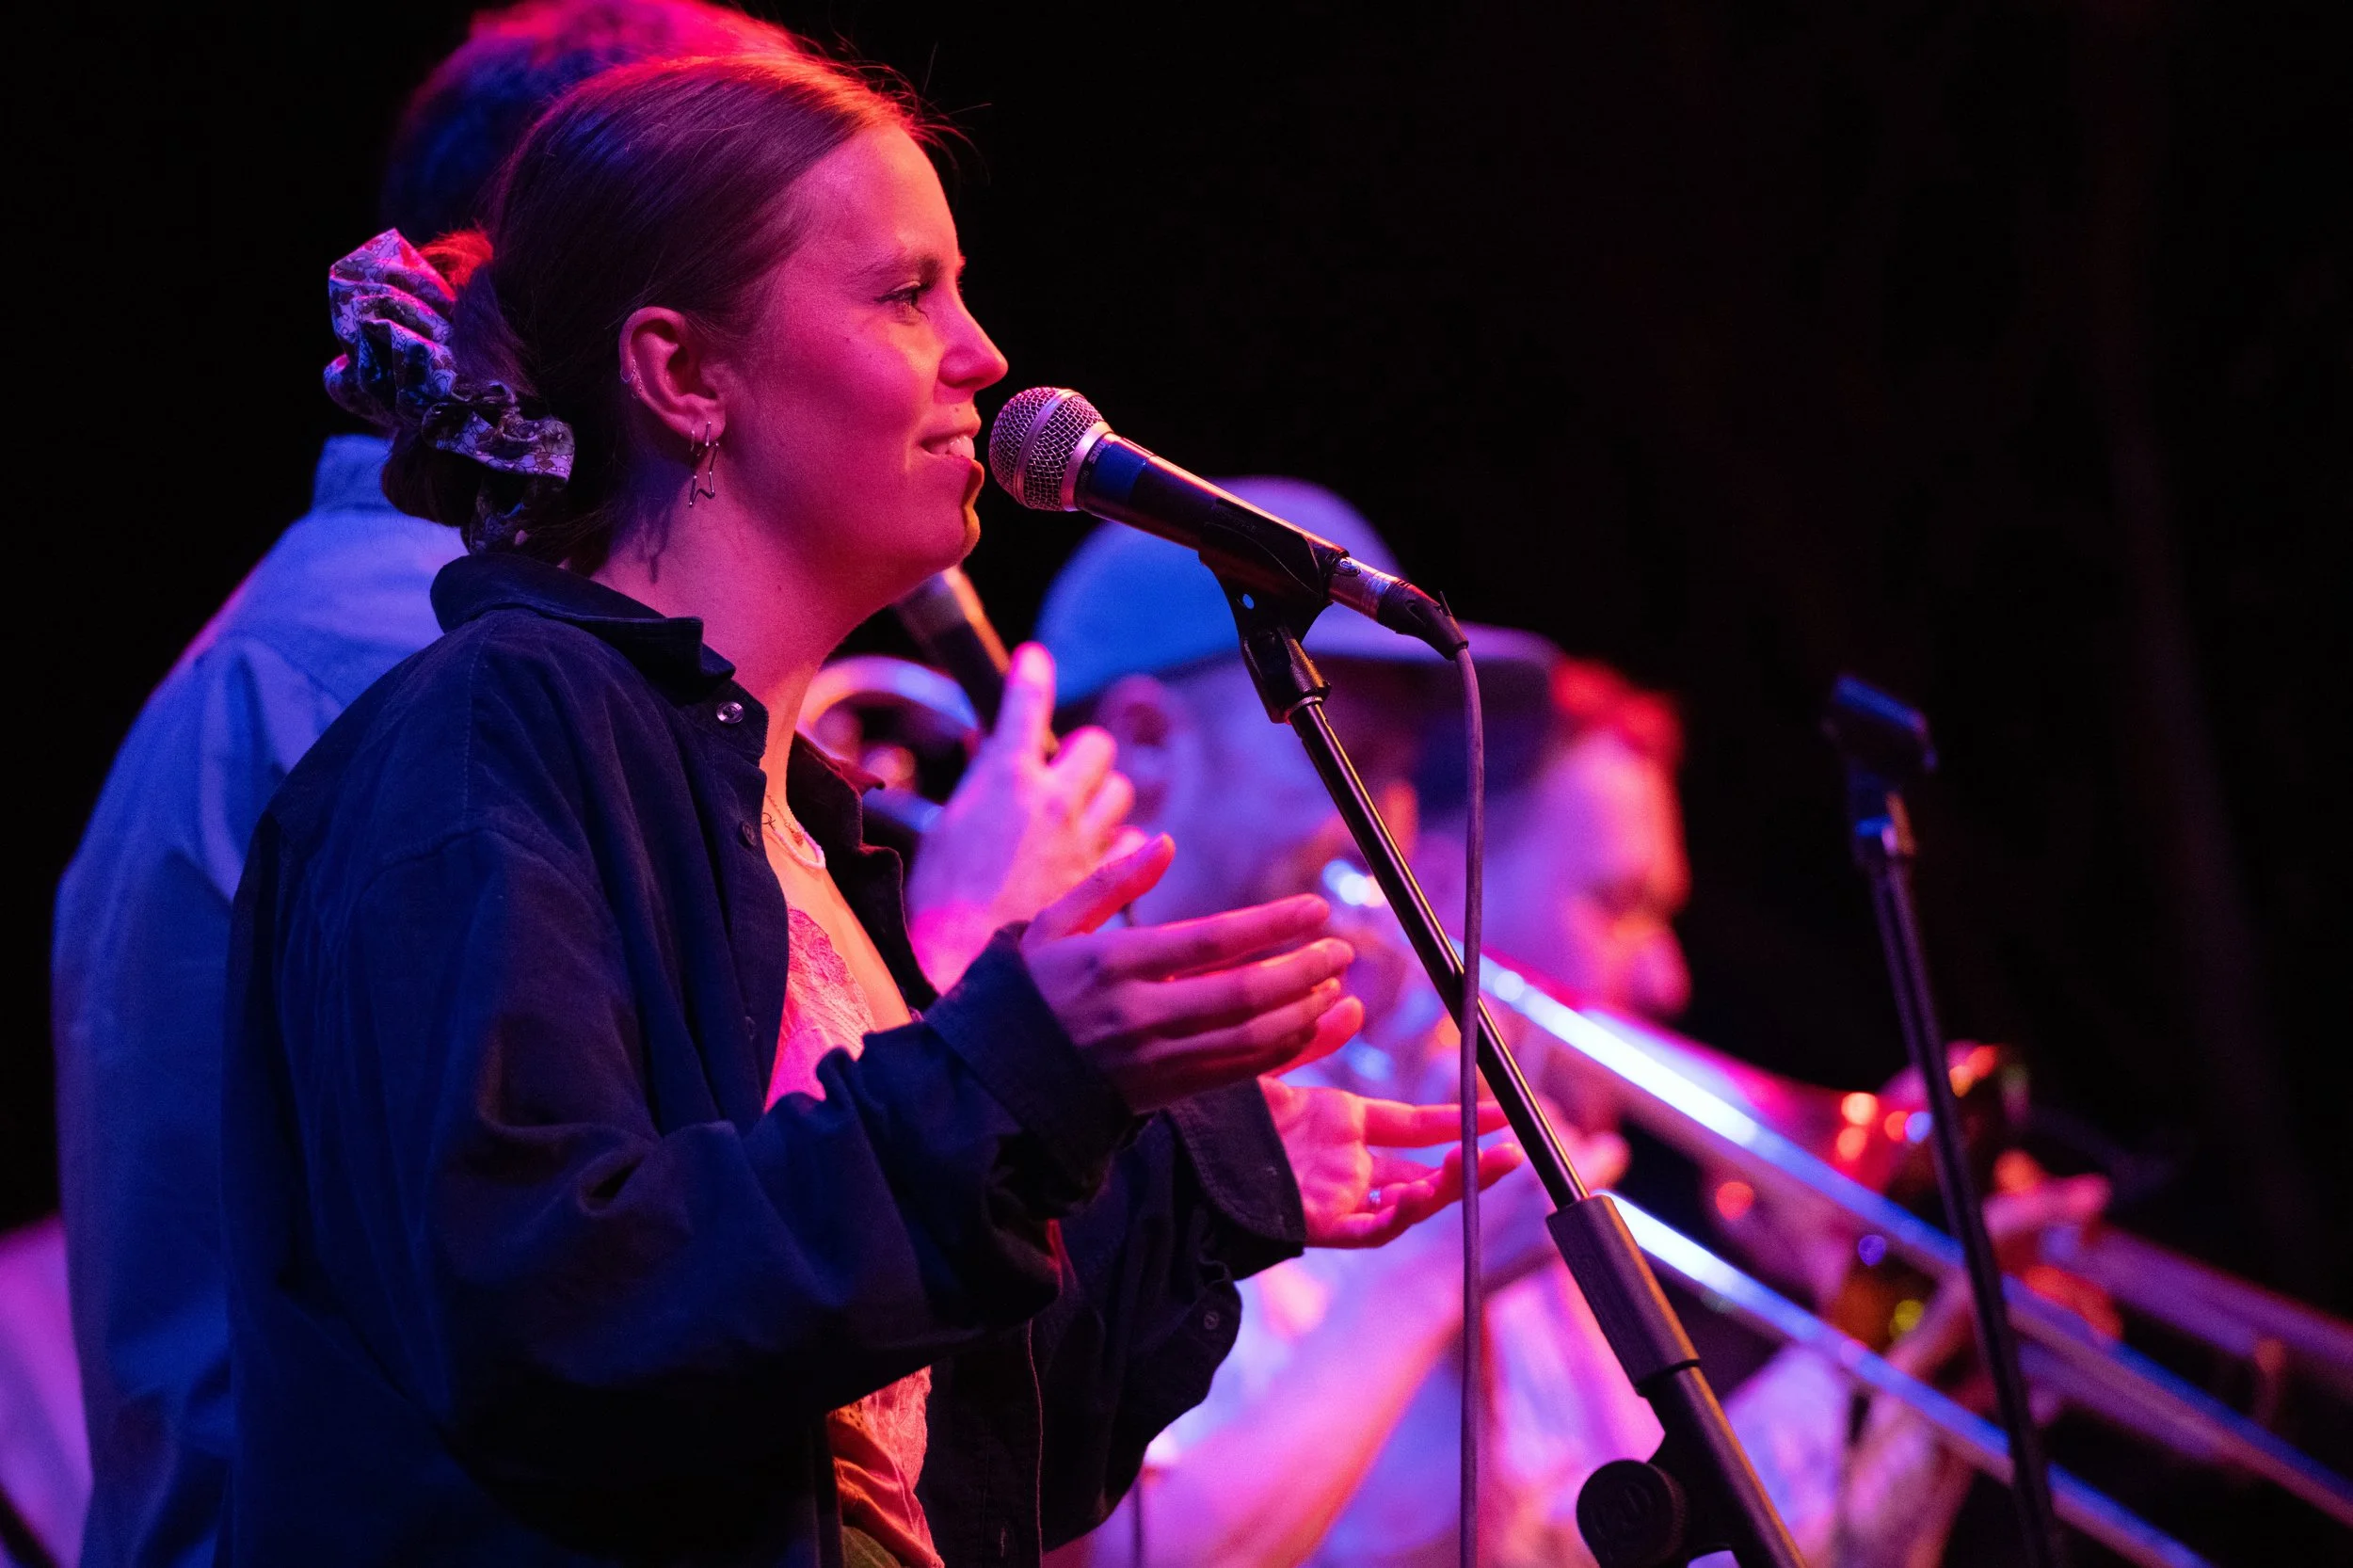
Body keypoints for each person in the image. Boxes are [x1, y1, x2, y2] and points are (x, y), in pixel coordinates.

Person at [216, 51, 1499, 1566]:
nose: (985, 353)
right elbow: (554, 1308)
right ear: (685, 376)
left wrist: (1207, 1178)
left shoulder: (810, 829)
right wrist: (1016, 1067)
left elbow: (953, 1451)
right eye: (906, 295)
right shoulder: (489, 733)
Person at [51, 9, 836, 1567]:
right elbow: (633, 1268)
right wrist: (968, 978)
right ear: (563, 271)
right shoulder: (430, 671)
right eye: (746, 223)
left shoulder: (416, 639)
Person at [1076, 608, 2114, 1568]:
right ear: (1439, 885)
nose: (1669, 976)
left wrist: (1902, 1375)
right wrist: (1437, 1273)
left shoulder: (1521, 1201)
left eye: (1394, 771)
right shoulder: (1303, 1163)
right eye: (1614, 904)